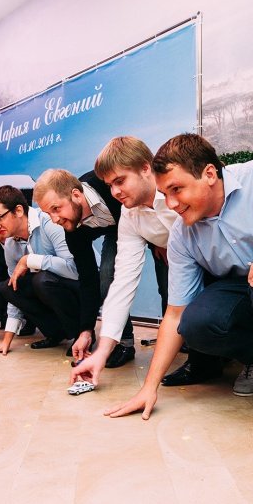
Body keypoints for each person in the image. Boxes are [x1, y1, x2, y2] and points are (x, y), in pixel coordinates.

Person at [105, 133, 253, 420]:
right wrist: (149, 387)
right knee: (194, 324)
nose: (170, 204)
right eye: (165, 194)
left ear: (209, 174)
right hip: (243, 286)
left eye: (177, 189)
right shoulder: (182, 234)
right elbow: (175, 314)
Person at [68, 137, 182, 387]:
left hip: (216, 265)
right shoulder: (128, 214)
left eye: (120, 181)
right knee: (176, 303)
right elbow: (123, 282)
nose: (115, 192)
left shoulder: (177, 192)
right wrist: (102, 351)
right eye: (110, 185)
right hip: (175, 256)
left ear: (146, 168)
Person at [33, 168, 136, 368]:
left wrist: (159, 241)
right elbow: (88, 280)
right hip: (116, 231)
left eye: (56, 208)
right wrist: (86, 331)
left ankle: (180, 335)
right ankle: (125, 344)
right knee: (105, 279)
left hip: (140, 218)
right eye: (48, 213)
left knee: (166, 275)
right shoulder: (72, 231)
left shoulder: (107, 185)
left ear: (76, 195)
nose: (54, 219)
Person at [0, 185, 80, 357]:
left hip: (85, 287)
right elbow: (13, 291)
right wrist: (6, 341)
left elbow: (74, 269)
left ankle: (82, 334)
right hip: (54, 287)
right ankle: (55, 333)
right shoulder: (10, 244)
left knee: (42, 280)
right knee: (8, 287)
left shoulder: (49, 222)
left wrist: (29, 260)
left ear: (18, 210)